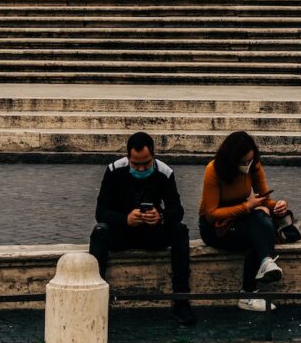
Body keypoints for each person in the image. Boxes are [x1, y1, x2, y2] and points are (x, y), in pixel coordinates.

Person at [89, 131, 196, 327]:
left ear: (153, 156)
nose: (140, 168)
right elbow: (101, 211)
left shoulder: (164, 172)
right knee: (99, 232)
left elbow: (177, 209)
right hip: (123, 232)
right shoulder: (114, 170)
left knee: (180, 231)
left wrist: (160, 216)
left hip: (151, 232)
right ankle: (95, 300)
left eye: (146, 164)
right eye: (135, 164)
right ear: (128, 157)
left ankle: (181, 301)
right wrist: (125, 219)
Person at [199, 130, 288, 312]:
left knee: (262, 218)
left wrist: (277, 205)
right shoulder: (213, 170)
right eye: (243, 162)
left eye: (250, 160)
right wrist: (247, 206)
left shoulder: (254, 166)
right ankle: (248, 293)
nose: (247, 165)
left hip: (240, 221)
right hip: (215, 228)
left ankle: (265, 263)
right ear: (231, 160)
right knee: (262, 234)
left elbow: (263, 199)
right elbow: (211, 213)